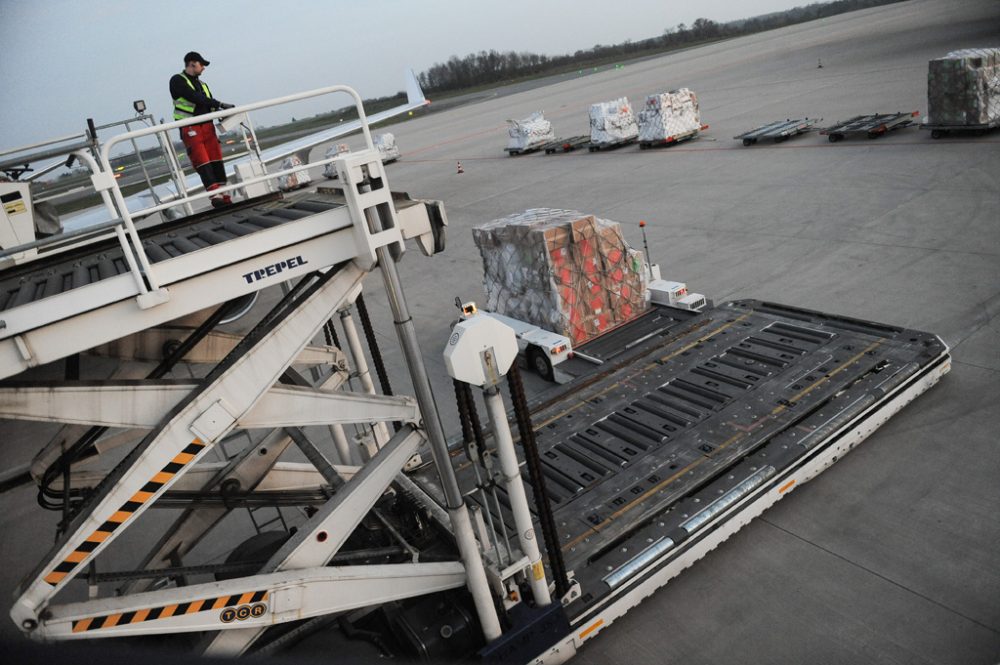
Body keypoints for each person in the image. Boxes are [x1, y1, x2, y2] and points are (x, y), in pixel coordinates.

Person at [169, 51, 235, 207]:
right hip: (191, 127)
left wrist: (222, 113)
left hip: (207, 126)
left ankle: (224, 193)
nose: (204, 68)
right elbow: (193, 97)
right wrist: (219, 104)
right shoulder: (177, 80)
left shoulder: (203, 85)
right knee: (202, 161)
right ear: (192, 64)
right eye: (201, 64)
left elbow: (206, 103)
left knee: (216, 159)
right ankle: (215, 196)